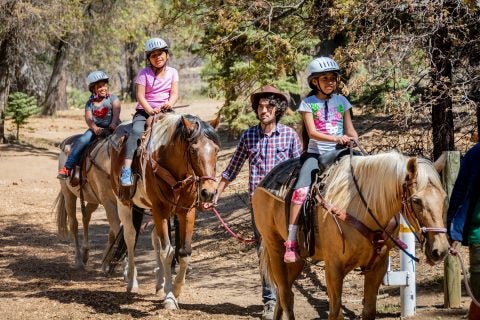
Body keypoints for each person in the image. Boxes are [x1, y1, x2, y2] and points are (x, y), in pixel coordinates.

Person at [204, 85, 302, 320]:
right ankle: (270, 302)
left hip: (283, 207)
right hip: (259, 209)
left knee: (290, 251)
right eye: (260, 106)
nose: (264, 110)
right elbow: (232, 169)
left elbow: (299, 170)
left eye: (269, 106)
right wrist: (216, 193)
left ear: (277, 109)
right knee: (265, 252)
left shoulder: (289, 135)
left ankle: (283, 296)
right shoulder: (249, 136)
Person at [284, 57, 358, 263]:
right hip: (316, 156)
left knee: (369, 176)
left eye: (333, 78)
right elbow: (313, 133)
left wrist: (353, 139)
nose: (330, 82)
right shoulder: (308, 104)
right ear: (315, 82)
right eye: (325, 78)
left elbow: (350, 129)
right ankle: (291, 241)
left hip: (341, 152)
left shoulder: (342, 101)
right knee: (300, 191)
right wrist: (336, 137)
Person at [120, 37, 179, 186]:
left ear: (167, 55)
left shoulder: (173, 72)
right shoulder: (143, 74)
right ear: (149, 58)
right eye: (153, 55)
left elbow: (174, 94)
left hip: (166, 110)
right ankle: (126, 170)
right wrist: (151, 111)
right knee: (135, 133)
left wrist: (168, 104)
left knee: (181, 131)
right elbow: (140, 96)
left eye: (161, 54)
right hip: (145, 111)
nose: (158, 57)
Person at [57, 70, 120, 179]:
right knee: (82, 140)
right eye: (99, 86)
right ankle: (68, 167)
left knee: (126, 139)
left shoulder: (112, 98)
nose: (103, 88)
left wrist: (113, 124)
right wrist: (94, 128)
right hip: (97, 129)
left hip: (113, 126)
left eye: (104, 85)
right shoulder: (90, 103)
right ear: (93, 88)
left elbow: (116, 112)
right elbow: (89, 118)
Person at [447, 142, 480, 320]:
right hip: (479, 236)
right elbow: (460, 194)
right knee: (479, 299)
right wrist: (454, 231)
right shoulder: (476, 154)